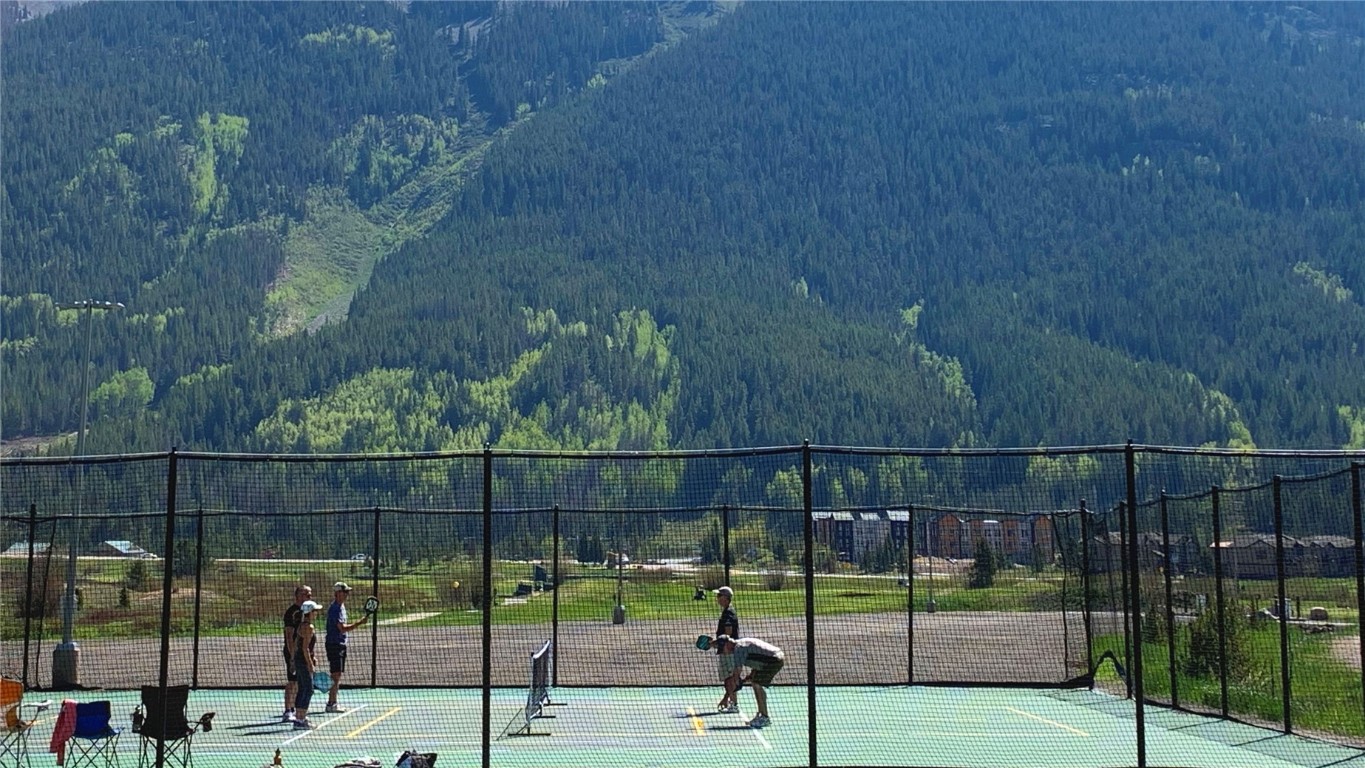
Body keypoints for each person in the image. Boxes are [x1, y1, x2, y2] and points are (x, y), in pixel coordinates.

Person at [706, 634, 783, 728]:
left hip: (774, 660)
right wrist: (751, 675)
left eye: (723, 649)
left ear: (728, 644)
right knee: (755, 682)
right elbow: (759, 657)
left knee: (757, 685)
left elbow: (735, 677)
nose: (724, 653)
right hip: (773, 658)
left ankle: (764, 717)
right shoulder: (741, 645)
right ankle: (762, 715)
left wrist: (726, 698)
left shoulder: (739, 649)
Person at [324, 581, 369, 712]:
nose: (347, 595)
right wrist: (360, 623)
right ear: (337, 593)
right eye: (345, 592)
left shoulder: (341, 607)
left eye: (347, 592)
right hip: (334, 644)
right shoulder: (335, 609)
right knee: (335, 674)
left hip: (341, 644)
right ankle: (331, 703)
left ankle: (333, 702)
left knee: (337, 674)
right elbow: (342, 628)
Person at [281, 585, 313, 722]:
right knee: (292, 680)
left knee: (301, 682)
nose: (309, 596)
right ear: (298, 595)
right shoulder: (291, 612)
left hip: (302, 652)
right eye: (307, 594)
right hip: (293, 652)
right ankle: (288, 710)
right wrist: (292, 656)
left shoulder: (306, 613)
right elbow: (289, 636)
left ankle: (296, 709)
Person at [292, 600, 322, 729]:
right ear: (310, 612)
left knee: (303, 688)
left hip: (300, 659)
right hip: (303, 660)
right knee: (308, 689)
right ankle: (300, 719)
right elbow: (305, 648)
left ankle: (299, 718)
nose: (317, 613)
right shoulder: (308, 627)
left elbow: (298, 644)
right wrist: (310, 663)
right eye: (315, 611)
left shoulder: (301, 625)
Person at [713, 586, 739, 713]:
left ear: (726, 598)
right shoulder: (727, 611)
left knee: (729, 678)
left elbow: (728, 634)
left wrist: (716, 643)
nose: (717, 598)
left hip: (728, 651)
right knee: (728, 678)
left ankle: (733, 704)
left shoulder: (728, 613)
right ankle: (732, 702)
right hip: (726, 650)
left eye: (719, 596)